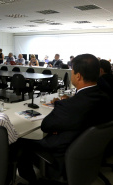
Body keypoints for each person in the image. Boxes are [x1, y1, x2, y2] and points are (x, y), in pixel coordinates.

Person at [17, 54, 112, 185]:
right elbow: (82, 111)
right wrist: (66, 103)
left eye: (72, 72)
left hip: (61, 154)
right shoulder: (105, 97)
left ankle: (31, 180)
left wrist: (62, 106)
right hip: (87, 152)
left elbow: (46, 125)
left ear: (78, 76)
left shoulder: (70, 107)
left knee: (20, 141)